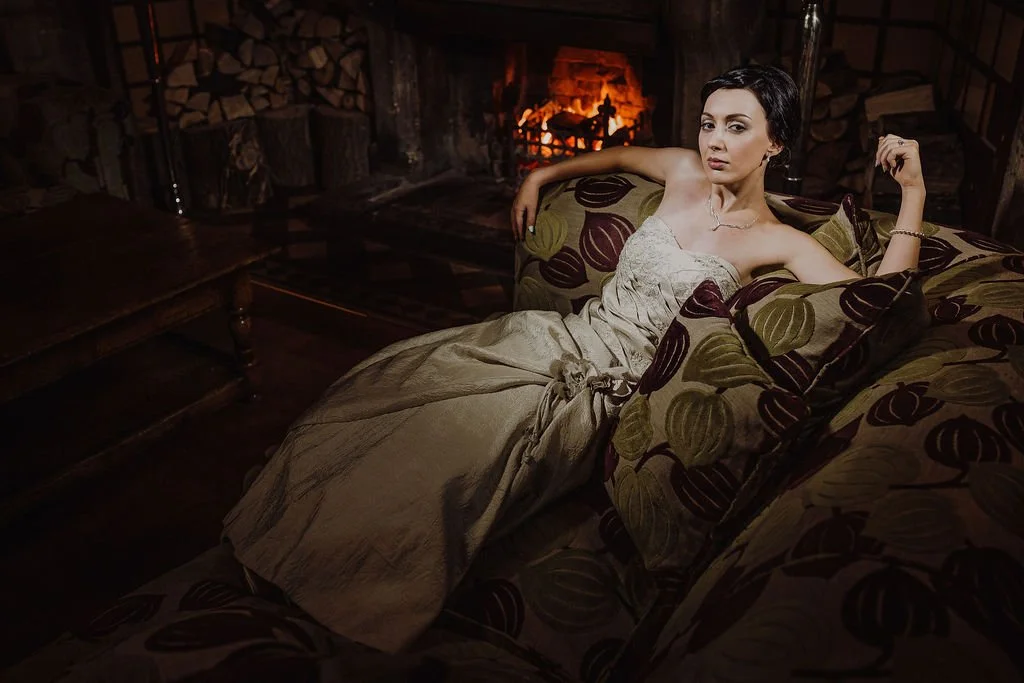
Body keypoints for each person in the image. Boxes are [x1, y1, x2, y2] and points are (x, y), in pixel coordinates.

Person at [222, 65, 926, 654]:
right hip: (553, 336)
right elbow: (615, 155)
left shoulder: (780, 243)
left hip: (601, 392)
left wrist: (913, 196)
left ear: (775, 142)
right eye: (709, 121)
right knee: (404, 384)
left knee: (454, 463)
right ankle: (289, 538)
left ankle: (343, 587)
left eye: (736, 126)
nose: (714, 140)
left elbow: (878, 302)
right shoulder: (681, 171)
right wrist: (540, 175)